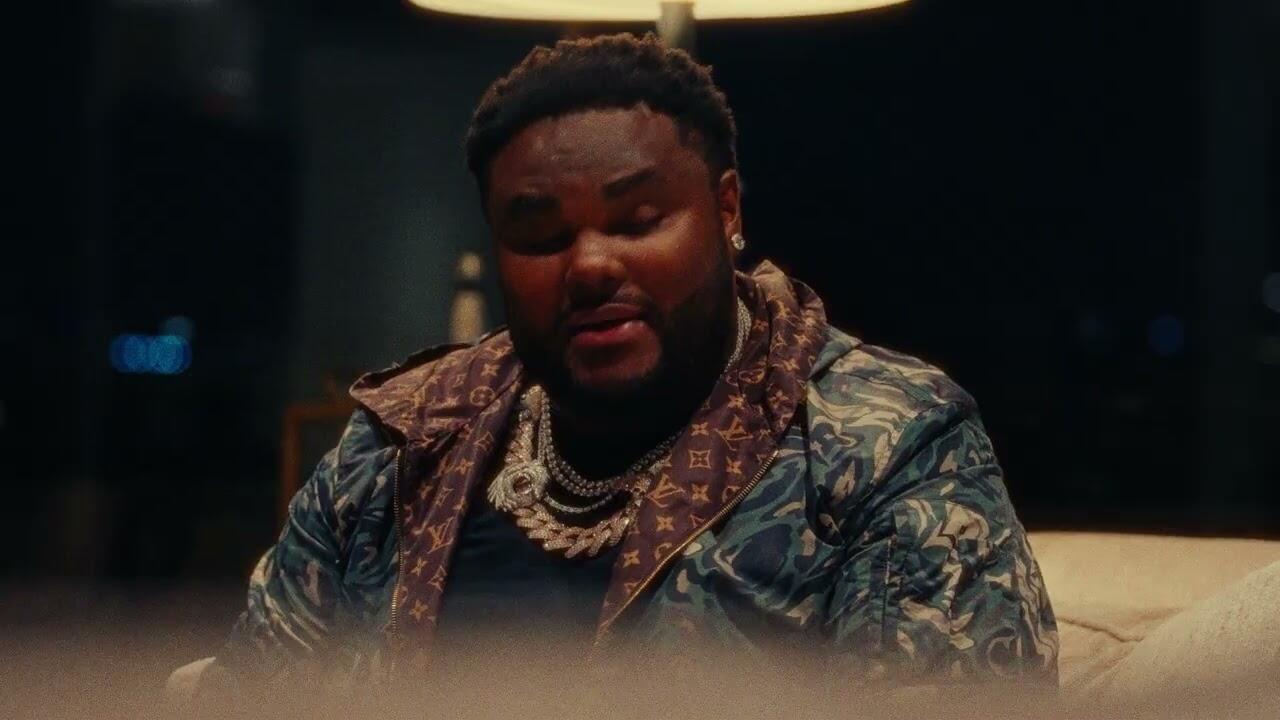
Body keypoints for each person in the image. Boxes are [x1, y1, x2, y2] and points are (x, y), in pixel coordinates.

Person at [209, 32, 1057, 701]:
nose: (589, 266)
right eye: (540, 236)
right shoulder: (399, 443)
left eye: (637, 220)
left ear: (726, 210)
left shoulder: (888, 444)